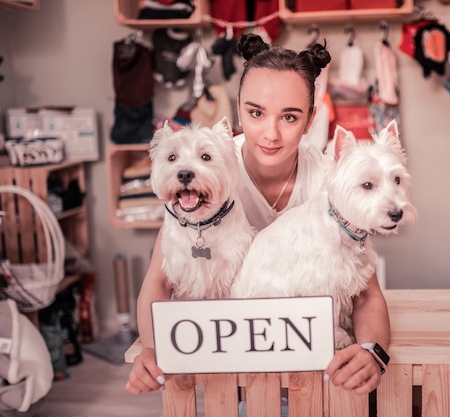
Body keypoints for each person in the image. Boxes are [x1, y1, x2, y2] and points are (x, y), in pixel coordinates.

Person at [126, 33, 390, 397]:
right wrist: (152, 351)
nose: (270, 133)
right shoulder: (206, 168)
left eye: (290, 116)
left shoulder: (332, 178)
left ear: (311, 119)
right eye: (255, 113)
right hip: (236, 361)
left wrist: (371, 351)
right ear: (238, 109)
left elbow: (366, 293)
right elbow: (158, 281)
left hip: (318, 362)